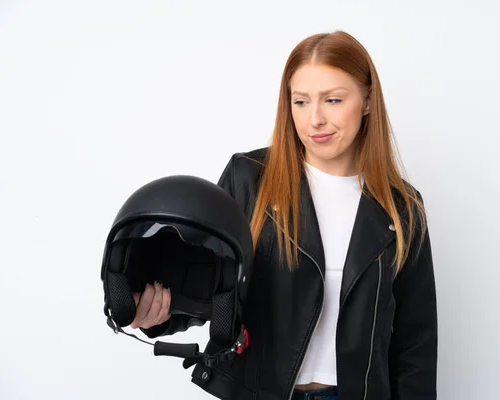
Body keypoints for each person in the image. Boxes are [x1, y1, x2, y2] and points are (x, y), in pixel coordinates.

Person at [130, 30, 438, 400]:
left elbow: (414, 343)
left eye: (334, 100)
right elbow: (206, 281)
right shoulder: (250, 179)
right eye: (301, 101)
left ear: (368, 101)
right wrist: (158, 313)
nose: (315, 120)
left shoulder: (402, 207)